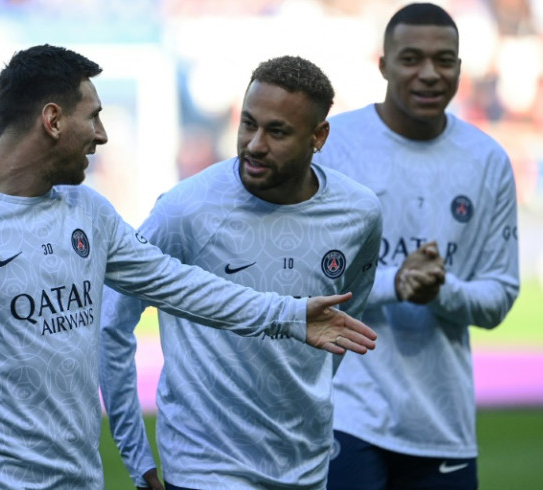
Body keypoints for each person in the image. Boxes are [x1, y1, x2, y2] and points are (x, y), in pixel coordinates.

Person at [0, 45, 379, 489]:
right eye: (93, 116)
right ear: (52, 120)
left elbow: (181, 285)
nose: (101, 135)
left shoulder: (88, 213)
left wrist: (287, 314)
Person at [100, 55, 384, 489]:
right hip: (203, 470)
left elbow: (342, 328)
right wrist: (137, 458)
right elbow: (111, 324)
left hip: (306, 469)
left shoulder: (358, 214)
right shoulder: (186, 209)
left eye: (277, 131)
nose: (254, 144)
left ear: (318, 137)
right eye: (248, 123)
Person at [316, 4, 520, 489]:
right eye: (411, 59)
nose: (429, 74)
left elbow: (499, 297)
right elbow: (303, 278)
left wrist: (439, 290)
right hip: (345, 408)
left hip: (440, 423)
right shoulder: (335, 144)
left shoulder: (487, 160)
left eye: (444, 60)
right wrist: (396, 283)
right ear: (383, 63)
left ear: (460, 69)